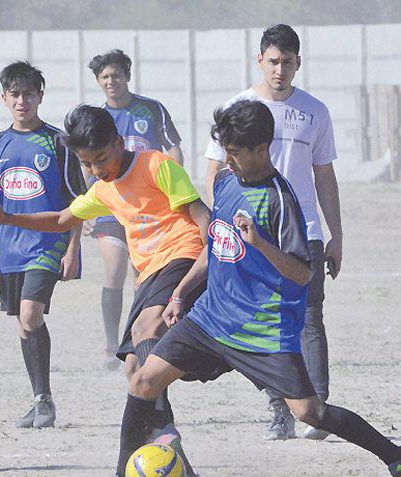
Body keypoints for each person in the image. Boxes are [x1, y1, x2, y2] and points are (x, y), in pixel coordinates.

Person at [115, 99, 401, 477]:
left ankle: (393, 455)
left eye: (234, 153)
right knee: (142, 381)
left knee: (309, 412)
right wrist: (181, 292)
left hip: (262, 330)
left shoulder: (280, 200)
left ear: (262, 150)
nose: (227, 161)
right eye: (225, 152)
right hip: (211, 319)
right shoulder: (225, 181)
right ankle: (123, 470)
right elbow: (216, 246)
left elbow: (302, 273)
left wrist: (261, 243)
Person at [0, 104, 209, 475]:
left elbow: (202, 218)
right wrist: (5, 216)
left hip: (182, 259)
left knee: (146, 327)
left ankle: (165, 426)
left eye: (101, 158)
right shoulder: (104, 189)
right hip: (149, 276)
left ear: (118, 142)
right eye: (87, 164)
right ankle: (134, 465)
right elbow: (59, 218)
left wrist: (201, 278)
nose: (97, 170)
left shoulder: (156, 166)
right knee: (134, 372)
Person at [205, 24, 343, 441]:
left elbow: (325, 177)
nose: (279, 69)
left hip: (304, 231)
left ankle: (315, 407)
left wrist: (336, 235)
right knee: (260, 318)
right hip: (251, 234)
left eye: (287, 61)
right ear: (259, 61)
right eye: (272, 61)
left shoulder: (315, 112)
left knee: (309, 317)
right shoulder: (238, 107)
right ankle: (277, 406)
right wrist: (221, 226)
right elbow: (214, 171)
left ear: (298, 63)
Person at [0, 61, 86, 429]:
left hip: (47, 244)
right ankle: (41, 400)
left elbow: (77, 201)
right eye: (15, 94)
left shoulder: (58, 142)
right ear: (4, 98)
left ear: (41, 97)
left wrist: (73, 248)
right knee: (22, 325)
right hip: (8, 249)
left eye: (29, 94)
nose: (23, 101)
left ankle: (44, 402)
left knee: (30, 315)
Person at [87, 49, 185, 370]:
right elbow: (86, 169)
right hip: (112, 209)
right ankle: (109, 344)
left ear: (127, 76)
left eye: (116, 75)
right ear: (98, 82)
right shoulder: (97, 119)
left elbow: (173, 148)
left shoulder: (151, 109)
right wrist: (87, 208)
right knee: (114, 268)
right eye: (104, 77)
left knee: (141, 278)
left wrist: (173, 190)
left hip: (150, 209)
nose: (111, 81)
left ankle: (140, 342)